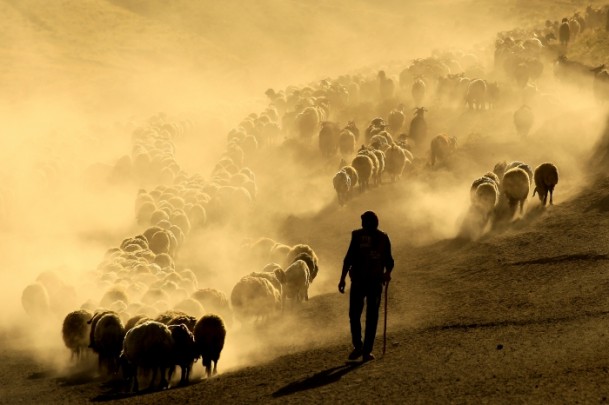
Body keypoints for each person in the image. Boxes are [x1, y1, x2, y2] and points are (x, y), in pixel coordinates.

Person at [338, 211, 394, 362]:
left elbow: (389, 261)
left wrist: (387, 272)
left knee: (371, 316)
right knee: (355, 315)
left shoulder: (382, 238)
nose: (363, 225)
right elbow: (348, 259)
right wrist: (342, 278)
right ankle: (359, 346)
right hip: (359, 282)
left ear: (372, 223)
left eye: (365, 222)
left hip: (373, 283)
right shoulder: (357, 236)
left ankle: (366, 350)